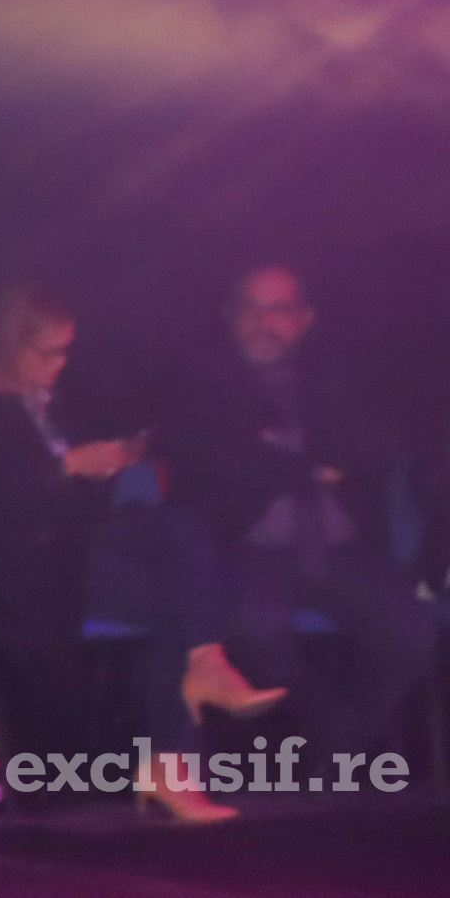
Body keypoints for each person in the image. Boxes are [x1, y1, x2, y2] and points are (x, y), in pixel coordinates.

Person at [0, 283, 280, 823]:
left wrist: (110, 465)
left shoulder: (55, 407)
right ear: (11, 344)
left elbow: (78, 502)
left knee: (181, 537)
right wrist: (66, 468)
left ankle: (200, 673)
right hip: (22, 567)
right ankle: (177, 738)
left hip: (76, 547)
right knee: (177, 593)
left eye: (65, 352)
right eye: (48, 352)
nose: (59, 365)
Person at [161, 263, 436, 761]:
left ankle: (329, 750)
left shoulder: (337, 377)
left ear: (304, 318)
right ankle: (330, 749)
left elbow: (375, 445)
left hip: (342, 548)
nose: (262, 322)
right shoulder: (203, 383)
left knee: (413, 632)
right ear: (230, 315)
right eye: (250, 308)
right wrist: (306, 469)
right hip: (248, 548)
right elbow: (215, 456)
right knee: (256, 632)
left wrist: (270, 457)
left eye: (278, 309)